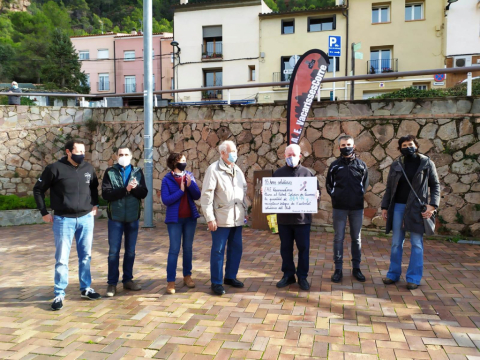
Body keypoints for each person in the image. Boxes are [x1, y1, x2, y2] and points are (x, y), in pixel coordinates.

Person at [33, 140, 101, 311]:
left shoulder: (88, 168)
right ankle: (59, 293)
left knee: (85, 256)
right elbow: (38, 189)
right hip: (64, 220)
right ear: (68, 152)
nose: (82, 155)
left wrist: (95, 205)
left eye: (84, 151)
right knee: (62, 259)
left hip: (86, 219)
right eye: (78, 151)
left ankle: (86, 288)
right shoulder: (54, 168)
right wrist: (44, 212)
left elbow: (94, 187)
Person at [381, 135, 440, 290]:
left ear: (416, 145)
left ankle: (413, 278)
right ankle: (393, 274)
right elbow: (389, 188)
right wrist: (385, 207)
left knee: (416, 244)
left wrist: (432, 205)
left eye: (410, 144)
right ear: (400, 148)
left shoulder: (427, 163)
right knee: (396, 243)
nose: (408, 147)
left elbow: (435, 185)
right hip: (398, 207)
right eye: (404, 145)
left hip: (416, 208)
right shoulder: (396, 165)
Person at [201, 140, 247, 296]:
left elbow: (244, 191)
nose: (235, 154)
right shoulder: (213, 170)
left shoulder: (238, 170)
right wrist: (209, 217)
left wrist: (244, 210)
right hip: (221, 218)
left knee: (236, 249)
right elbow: (206, 196)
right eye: (232, 151)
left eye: (235, 151)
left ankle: (230, 277)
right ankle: (216, 282)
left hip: (237, 218)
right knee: (218, 251)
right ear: (222, 153)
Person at [102, 146, 148, 297]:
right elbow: (106, 194)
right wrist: (126, 189)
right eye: (120, 154)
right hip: (115, 217)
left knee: (130, 251)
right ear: (116, 156)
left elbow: (144, 192)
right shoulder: (110, 172)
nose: (123, 156)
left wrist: (133, 189)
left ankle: (128, 280)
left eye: (126, 154)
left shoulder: (137, 172)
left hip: (132, 217)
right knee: (114, 252)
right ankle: (112, 284)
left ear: (131, 156)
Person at [273, 144, 320, 291]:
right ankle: (288, 275)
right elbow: (272, 195)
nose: (290, 157)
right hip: (284, 220)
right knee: (285, 248)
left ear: (299, 156)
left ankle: (302, 277)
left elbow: (316, 196)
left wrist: (316, 196)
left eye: (293, 155)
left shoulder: (308, 174)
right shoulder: (278, 174)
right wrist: (266, 191)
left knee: (303, 248)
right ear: (284, 156)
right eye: (288, 155)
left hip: (302, 220)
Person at [326, 135, 369, 283]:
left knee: (356, 238)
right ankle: (338, 269)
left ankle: (356, 268)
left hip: (357, 208)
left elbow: (365, 184)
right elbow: (329, 185)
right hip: (339, 208)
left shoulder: (361, 165)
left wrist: (357, 197)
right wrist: (336, 196)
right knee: (338, 238)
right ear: (339, 147)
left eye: (348, 144)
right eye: (343, 145)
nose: (346, 147)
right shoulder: (334, 166)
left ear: (354, 146)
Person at [161, 152, 201, 294]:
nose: (183, 163)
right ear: (173, 163)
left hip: (190, 219)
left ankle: (187, 276)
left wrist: (190, 186)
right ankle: (170, 281)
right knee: (174, 249)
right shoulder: (167, 179)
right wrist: (181, 191)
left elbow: (197, 195)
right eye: (180, 161)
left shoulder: (189, 175)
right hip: (175, 220)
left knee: (188, 248)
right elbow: (166, 200)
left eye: (184, 160)